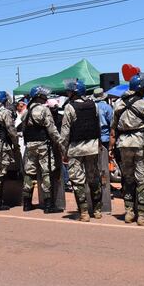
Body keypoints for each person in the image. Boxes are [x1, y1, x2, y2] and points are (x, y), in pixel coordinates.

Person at [109, 74, 144, 226]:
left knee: (128, 178)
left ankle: (129, 212)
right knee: (143, 179)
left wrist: (112, 146)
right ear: (141, 89)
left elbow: (113, 127)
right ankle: (141, 215)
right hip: (140, 143)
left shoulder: (118, 104)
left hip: (123, 144)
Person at [59, 80, 103, 222]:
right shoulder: (94, 105)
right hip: (92, 147)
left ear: (74, 93)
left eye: (69, 91)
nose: (67, 93)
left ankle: (84, 212)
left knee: (77, 181)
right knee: (94, 178)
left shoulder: (69, 108)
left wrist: (63, 150)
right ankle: (97, 211)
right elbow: (98, 126)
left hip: (76, 149)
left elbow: (65, 132)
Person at [21, 86, 63, 214]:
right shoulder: (44, 110)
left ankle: (27, 203)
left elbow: (24, 130)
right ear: (38, 96)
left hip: (30, 145)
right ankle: (49, 205)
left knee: (29, 172)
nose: (45, 97)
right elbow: (51, 129)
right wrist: (60, 143)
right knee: (46, 172)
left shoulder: (25, 112)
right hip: (43, 145)